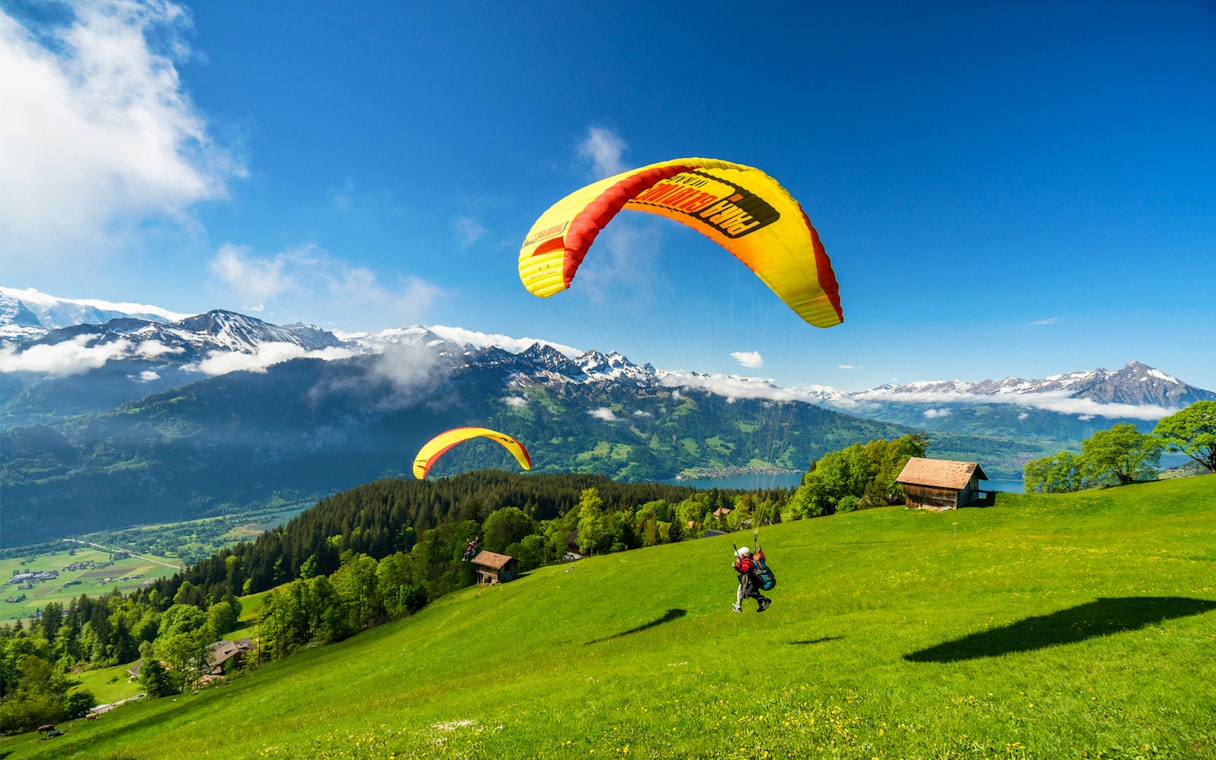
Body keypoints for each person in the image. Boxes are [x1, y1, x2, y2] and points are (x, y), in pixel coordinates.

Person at [732, 546, 771, 612]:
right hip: (755, 579)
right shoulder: (751, 557)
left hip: (753, 579)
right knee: (750, 592)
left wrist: (736, 566)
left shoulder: (747, 562)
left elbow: (744, 570)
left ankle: (766, 600)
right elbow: (762, 558)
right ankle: (761, 604)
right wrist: (760, 552)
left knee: (747, 592)